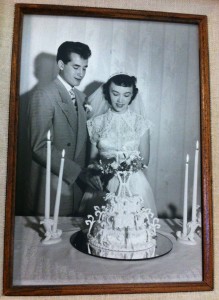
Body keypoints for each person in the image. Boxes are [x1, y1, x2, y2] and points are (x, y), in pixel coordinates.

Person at [27, 41, 100, 216]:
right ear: (61, 64)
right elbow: (40, 147)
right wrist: (78, 173)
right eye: (76, 67)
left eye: (84, 68)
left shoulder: (82, 98)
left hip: (77, 188)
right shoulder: (44, 95)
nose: (81, 73)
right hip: (52, 187)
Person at [79, 73, 157, 216]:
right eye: (115, 94)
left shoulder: (140, 123)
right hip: (103, 182)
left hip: (133, 184)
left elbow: (145, 161)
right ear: (108, 93)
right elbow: (91, 161)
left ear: (132, 96)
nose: (120, 100)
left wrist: (124, 167)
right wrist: (96, 170)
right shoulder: (96, 123)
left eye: (126, 95)